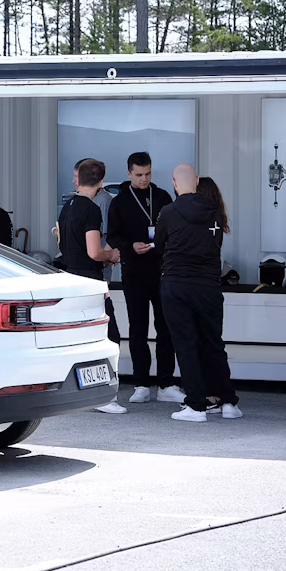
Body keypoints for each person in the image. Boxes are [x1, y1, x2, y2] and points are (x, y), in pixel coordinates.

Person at [156, 166, 240, 423]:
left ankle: (196, 406)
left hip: (177, 285)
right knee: (214, 344)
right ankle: (228, 403)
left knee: (186, 345)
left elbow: (159, 246)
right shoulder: (214, 212)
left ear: (174, 183)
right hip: (209, 287)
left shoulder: (168, 212)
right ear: (197, 181)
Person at [106, 152, 182, 405]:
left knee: (166, 328)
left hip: (162, 271)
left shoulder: (161, 197)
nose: (144, 179)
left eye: (148, 174)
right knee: (137, 329)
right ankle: (141, 384)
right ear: (129, 174)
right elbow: (113, 237)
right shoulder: (120, 202)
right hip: (134, 272)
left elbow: (174, 230)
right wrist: (130, 247)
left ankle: (166, 383)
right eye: (139, 175)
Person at [58, 159, 125, 415]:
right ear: (99, 183)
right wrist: (112, 254)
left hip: (70, 277)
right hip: (91, 281)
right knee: (110, 336)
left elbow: (66, 245)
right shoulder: (92, 210)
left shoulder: (67, 207)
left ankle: (79, 393)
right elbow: (94, 251)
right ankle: (105, 396)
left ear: (79, 179)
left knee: (79, 339)